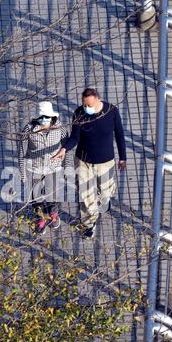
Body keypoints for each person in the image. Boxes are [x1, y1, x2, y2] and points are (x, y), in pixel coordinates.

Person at [51, 88, 127, 239]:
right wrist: (64, 149)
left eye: (89, 105)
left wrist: (123, 157)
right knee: (86, 195)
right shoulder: (79, 113)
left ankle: (103, 200)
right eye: (84, 105)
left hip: (105, 162)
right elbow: (75, 137)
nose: (87, 108)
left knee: (105, 192)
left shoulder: (111, 111)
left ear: (98, 100)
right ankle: (88, 224)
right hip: (83, 161)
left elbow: (119, 134)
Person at [18, 101, 73, 235]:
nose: (43, 120)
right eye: (40, 117)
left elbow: (67, 149)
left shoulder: (60, 129)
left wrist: (68, 168)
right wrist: (23, 174)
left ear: (52, 117)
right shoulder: (28, 130)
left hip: (53, 168)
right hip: (34, 168)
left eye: (46, 117)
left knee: (52, 195)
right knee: (35, 196)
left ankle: (53, 214)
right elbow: (22, 152)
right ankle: (40, 218)